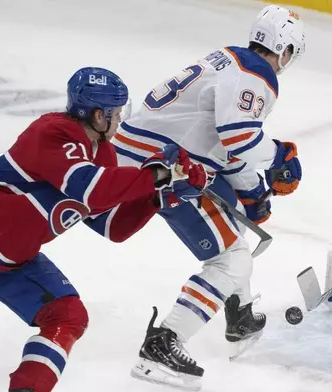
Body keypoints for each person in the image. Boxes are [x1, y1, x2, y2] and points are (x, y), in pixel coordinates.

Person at [111, 4, 305, 388]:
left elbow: (222, 145)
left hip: (147, 157)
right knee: (233, 259)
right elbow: (238, 135)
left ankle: (240, 313)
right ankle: (162, 344)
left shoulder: (229, 59)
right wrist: (280, 157)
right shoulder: (257, 73)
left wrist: (251, 192)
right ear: (283, 49)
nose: (286, 63)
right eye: (290, 55)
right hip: (162, 168)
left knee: (231, 215)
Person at [0, 67, 210, 392]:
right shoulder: (52, 133)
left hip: (6, 259)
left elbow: (113, 225)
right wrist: (157, 174)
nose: (119, 120)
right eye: (115, 113)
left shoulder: (102, 154)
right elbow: (89, 189)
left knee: (67, 315)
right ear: (97, 115)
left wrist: (161, 196)